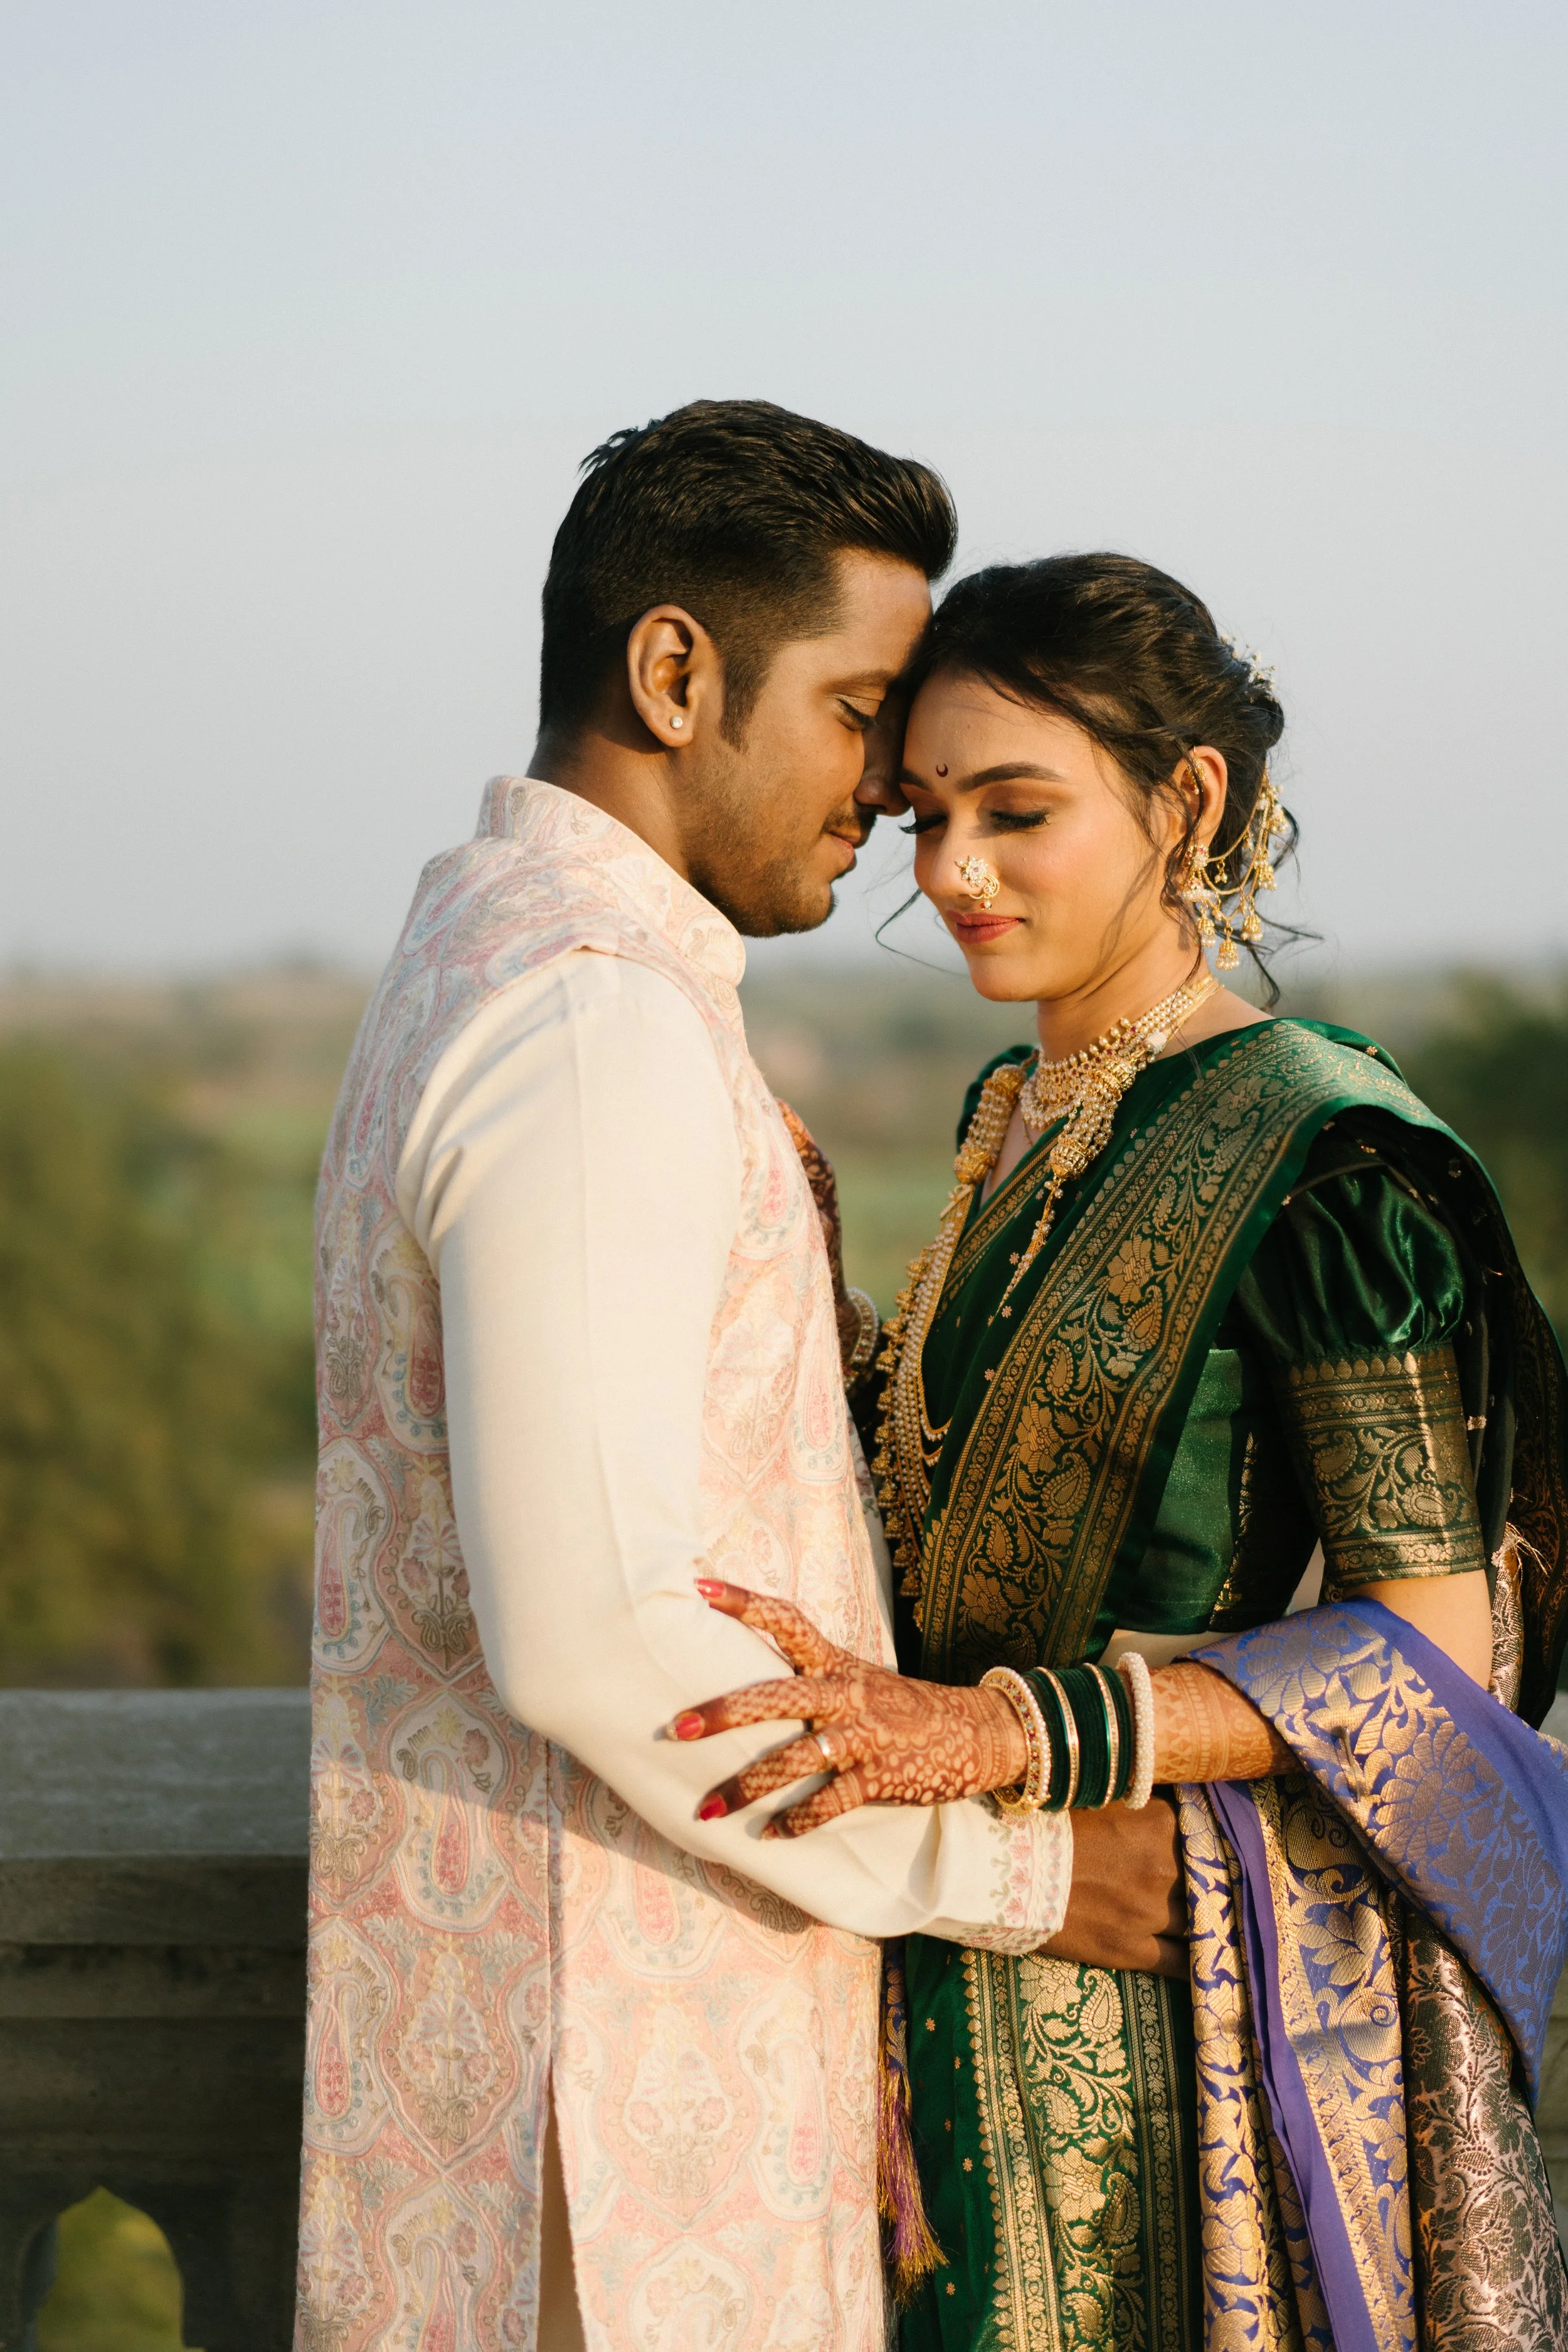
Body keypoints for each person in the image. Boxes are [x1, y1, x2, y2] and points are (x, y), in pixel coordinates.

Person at [676, 554, 1568, 2348]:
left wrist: (1003, 1727)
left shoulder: (1326, 1171)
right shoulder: (1012, 1113)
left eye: (1016, 811)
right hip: (943, 1948)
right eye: (923, 815)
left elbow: (1433, 1648)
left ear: (1187, 799)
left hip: (1169, 2005)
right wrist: (804, 1265)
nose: (948, 873)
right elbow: (953, 1482)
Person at [295, 405, 1078, 2352]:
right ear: (673, 671)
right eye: (855, 709)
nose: (889, 788)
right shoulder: (586, 1017)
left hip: (532, 2043)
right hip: (606, 2116)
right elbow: (586, 1634)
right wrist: (1018, 1861)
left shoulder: (483, 950)